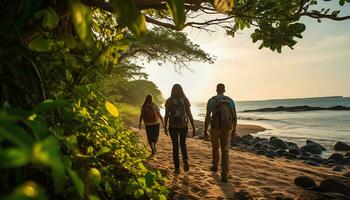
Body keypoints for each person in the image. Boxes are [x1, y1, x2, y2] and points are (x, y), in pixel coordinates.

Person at [204, 83, 237, 182]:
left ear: (216, 90)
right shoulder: (230, 101)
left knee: (215, 148)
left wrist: (205, 130)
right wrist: (234, 129)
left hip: (215, 128)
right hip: (227, 128)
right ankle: (225, 175)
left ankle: (215, 166)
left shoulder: (212, 100)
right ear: (224, 90)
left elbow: (207, 116)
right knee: (225, 150)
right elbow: (235, 116)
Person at [164, 84, 196, 174]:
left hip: (172, 126)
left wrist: (165, 127)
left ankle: (177, 168)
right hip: (183, 126)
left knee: (175, 146)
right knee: (183, 144)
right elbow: (189, 114)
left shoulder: (169, 101)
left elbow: (166, 115)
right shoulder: (185, 100)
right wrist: (193, 127)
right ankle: (185, 160)